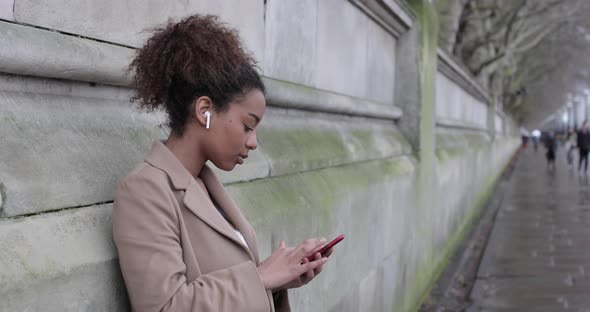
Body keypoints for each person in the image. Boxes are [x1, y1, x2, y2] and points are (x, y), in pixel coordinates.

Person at [112, 15, 332, 312]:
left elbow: (237, 284)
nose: (253, 142)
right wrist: (262, 277)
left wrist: (280, 280)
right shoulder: (145, 191)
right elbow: (165, 307)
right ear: (205, 110)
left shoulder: (205, 184)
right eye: (247, 125)